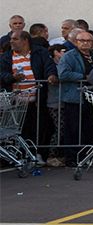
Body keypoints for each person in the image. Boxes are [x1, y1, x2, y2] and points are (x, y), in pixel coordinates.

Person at [0, 30, 58, 162]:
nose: (11, 41)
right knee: (22, 130)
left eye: (15, 39)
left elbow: (49, 66)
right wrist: (12, 77)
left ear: (25, 40)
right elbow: (2, 74)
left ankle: (39, 154)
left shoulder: (40, 52)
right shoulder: (7, 56)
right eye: (11, 39)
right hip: (17, 101)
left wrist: (51, 75)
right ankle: (24, 155)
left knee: (42, 127)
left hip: (37, 99)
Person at [57, 30, 93, 163]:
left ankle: (88, 156)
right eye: (82, 41)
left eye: (88, 41)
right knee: (73, 129)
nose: (85, 43)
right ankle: (72, 157)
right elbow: (63, 74)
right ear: (76, 42)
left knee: (89, 127)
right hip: (74, 97)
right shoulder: (69, 56)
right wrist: (84, 77)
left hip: (91, 97)